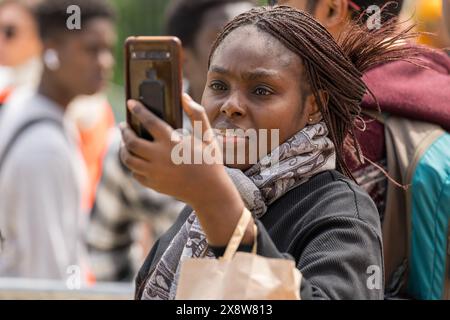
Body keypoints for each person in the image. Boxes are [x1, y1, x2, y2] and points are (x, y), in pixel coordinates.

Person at [121, 6, 420, 300]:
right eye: (219, 85)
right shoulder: (195, 213)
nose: (230, 105)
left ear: (313, 106)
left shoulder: (341, 211)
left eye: (261, 90)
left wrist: (215, 201)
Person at [277, 0, 450, 295]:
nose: (269, 15)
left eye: (278, 3)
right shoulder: (434, 83)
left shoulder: (338, 129)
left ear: (331, 10)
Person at [86, 0, 256, 282]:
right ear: (183, 60)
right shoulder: (138, 147)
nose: (243, 49)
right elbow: (104, 248)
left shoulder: (277, 138)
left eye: (250, 34)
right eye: (222, 36)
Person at [0, 0, 115, 280]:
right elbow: (47, 280)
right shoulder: (44, 146)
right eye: (91, 49)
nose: (105, 62)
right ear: (50, 51)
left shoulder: (25, 105)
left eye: (108, 50)